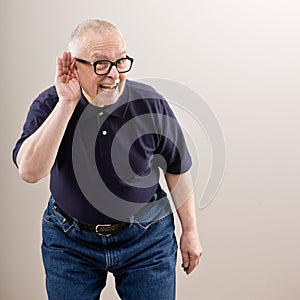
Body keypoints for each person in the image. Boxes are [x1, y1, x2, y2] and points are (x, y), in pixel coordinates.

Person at [12, 19, 202, 300]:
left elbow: (176, 168)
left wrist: (191, 231)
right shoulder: (49, 104)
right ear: (74, 66)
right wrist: (67, 104)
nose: (113, 75)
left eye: (120, 62)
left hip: (146, 237)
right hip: (70, 241)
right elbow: (29, 172)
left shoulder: (150, 102)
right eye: (101, 64)